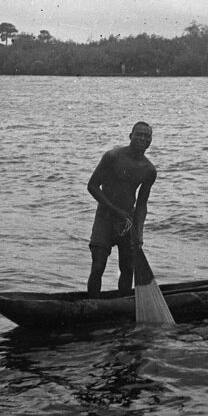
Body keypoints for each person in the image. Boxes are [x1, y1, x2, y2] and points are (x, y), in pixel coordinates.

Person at [86, 121, 156, 297]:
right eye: (138, 134)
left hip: (127, 221)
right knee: (98, 266)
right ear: (130, 136)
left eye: (146, 136)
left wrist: (139, 230)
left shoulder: (149, 170)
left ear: (150, 141)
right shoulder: (112, 157)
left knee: (127, 269)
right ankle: (92, 304)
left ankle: (123, 304)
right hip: (105, 218)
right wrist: (115, 210)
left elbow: (141, 204)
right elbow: (93, 186)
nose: (142, 138)